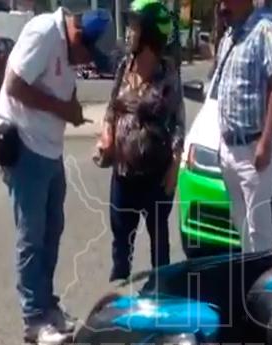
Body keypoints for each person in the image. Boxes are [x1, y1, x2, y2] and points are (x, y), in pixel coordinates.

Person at [0, 7, 109, 345]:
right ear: (77, 37)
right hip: (24, 145)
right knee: (32, 235)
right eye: (87, 55)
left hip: (50, 149)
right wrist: (62, 110)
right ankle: (33, 318)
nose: (86, 63)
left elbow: (62, 89)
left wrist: (73, 110)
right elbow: (15, 85)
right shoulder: (44, 33)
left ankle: (46, 305)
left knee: (52, 229)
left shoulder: (70, 50)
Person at [96, 0, 184, 282]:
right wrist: (107, 136)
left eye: (134, 27)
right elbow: (111, 109)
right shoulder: (125, 67)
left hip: (157, 176)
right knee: (121, 243)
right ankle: (119, 290)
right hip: (123, 175)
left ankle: (163, 295)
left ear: (149, 35)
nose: (128, 33)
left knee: (159, 244)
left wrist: (175, 167)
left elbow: (178, 123)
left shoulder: (167, 74)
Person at [213, 0, 272, 253]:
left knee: (259, 230)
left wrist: (265, 141)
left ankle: (265, 275)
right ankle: (249, 273)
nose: (222, 5)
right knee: (241, 224)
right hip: (228, 150)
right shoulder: (228, 38)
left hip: (253, 149)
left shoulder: (265, 33)